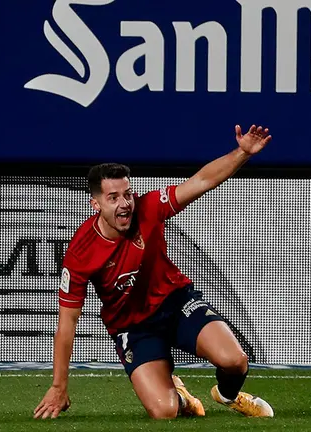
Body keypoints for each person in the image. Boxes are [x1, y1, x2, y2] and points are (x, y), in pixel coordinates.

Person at [33, 125, 275, 420]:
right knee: (164, 411)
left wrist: (242, 153)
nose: (124, 204)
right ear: (95, 204)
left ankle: (228, 396)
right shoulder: (81, 252)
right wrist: (59, 386)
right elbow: (66, 324)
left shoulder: (149, 207)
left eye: (127, 194)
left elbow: (201, 180)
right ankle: (181, 397)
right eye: (113, 198)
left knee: (235, 360)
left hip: (175, 303)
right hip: (133, 327)